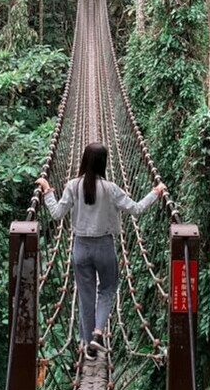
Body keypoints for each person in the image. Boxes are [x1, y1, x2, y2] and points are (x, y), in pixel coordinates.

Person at [36, 142, 166, 360]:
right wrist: (155, 192)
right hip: (104, 246)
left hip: (80, 248)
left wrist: (47, 191)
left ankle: (89, 346)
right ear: (104, 163)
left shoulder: (73, 186)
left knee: (85, 297)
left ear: (84, 160)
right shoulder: (110, 188)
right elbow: (136, 209)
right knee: (107, 290)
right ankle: (98, 332)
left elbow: (57, 214)